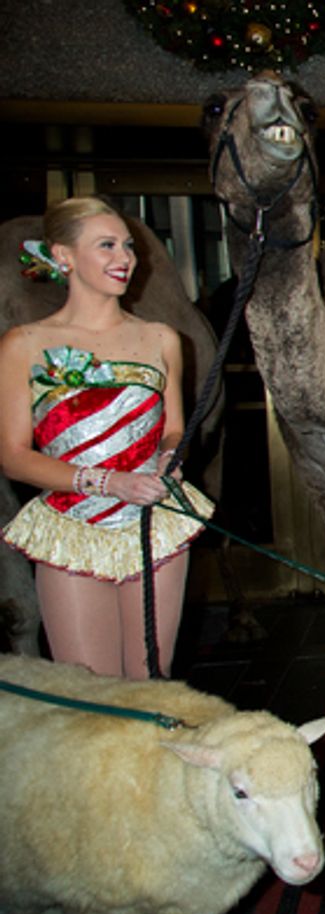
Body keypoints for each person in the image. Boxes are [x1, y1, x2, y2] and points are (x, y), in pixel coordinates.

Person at [0, 197, 213, 678]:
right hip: (72, 526)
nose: (125, 259)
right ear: (64, 256)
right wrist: (106, 483)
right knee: (91, 695)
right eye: (107, 246)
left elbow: (175, 427)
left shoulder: (162, 338)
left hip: (153, 525)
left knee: (151, 686)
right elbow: (13, 457)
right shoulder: (25, 344)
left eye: (128, 246)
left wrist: (169, 457)